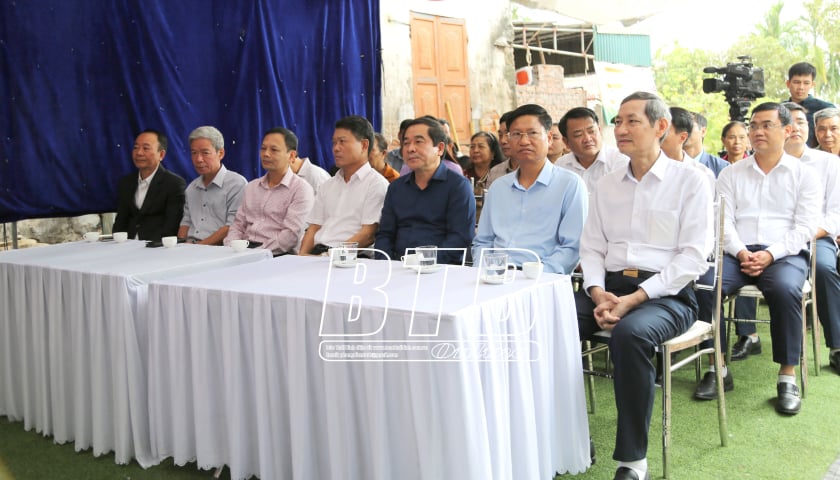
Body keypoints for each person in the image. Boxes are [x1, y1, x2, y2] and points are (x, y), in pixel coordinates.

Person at [576, 92, 712, 480]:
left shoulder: (691, 182)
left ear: (661, 127)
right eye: (617, 121)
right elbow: (592, 246)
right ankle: (566, 437)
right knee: (554, 321)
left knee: (631, 335)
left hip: (667, 294)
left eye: (631, 121)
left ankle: (632, 461)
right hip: (609, 288)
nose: (620, 129)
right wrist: (598, 292)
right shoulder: (606, 184)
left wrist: (635, 299)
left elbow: (692, 257)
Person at [693, 102, 821, 415]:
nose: (757, 132)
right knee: (704, 285)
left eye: (766, 125)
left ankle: (787, 377)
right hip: (737, 252)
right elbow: (722, 221)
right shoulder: (731, 174)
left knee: (785, 289)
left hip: (784, 253)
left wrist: (769, 254)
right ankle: (718, 367)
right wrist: (740, 251)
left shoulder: (805, 176)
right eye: (754, 126)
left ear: (787, 130)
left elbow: (804, 227)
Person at [472, 104, 587, 274]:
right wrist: (483, 271)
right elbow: (483, 241)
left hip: (542, 278)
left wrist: (535, 275)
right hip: (495, 276)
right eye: (516, 134)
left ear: (549, 138)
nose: (524, 141)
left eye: (532, 133)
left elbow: (571, 247)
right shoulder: (498, 188)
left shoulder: (570, 185)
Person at [782, 102, 840, 375]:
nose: (796, 128)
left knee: (825, 269)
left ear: (809, 129)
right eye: (789, 122)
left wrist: (806, 234)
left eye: (801, 122)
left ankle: (836, 346)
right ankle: (748, 336)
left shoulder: (828, 163)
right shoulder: (768, 160)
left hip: (816, 237)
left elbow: (835, 214)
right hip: (774, 239)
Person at [375, 116, 475, 264]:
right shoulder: (396, 187)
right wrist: (386, 264)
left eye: (419, 142)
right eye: (406, 143)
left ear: (440, 148)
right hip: (397, 268)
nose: (410, 149)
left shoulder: (458, 186)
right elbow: (385, 234)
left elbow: (459, 239)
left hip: (440, 269)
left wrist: (424, 262)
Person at [299, 115, 389, 255]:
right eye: (334, 142)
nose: (336, 148)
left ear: (364, 145)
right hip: (318, 255)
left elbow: (367, 234)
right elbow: (314, 227)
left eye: (342, 142)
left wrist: (331, 255)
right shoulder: (328, 185)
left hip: (351, 258)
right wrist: (302, 256)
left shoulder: (376, 184)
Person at [224, 127, 314, 255]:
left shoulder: (301, 189)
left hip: (277, 256)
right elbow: (238, 226)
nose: (266, 154)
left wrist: (256, 253)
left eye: (274, 150)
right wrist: (231, 247)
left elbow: (290, 237)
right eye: (263, 148)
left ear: (292, 155)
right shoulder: (252, 187)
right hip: (243, 252)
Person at [177, 126, 247, 245]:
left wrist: (200, 246)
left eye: (205, 153)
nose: (198, 159)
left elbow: (232, 226)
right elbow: (186, 222)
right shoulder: (192, 188)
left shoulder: (237, 184)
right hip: (190, 247)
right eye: (194, 153)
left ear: (220, 153)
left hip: (219, 249)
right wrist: (181, 244)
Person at [113, 129, 186, 241]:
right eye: (136, 147)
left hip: (156, 247)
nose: (139, 153)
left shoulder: (174, 183)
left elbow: (172, 225)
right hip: (127, 245)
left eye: (145, 148)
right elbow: (120, 221)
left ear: (161, 154)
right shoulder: (126, 182)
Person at [555, 107, 628, 194]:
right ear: (566, 142)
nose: (587, 139)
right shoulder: (561, 166)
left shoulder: (620, 161)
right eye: (578, 135)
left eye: (591, 131)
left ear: (600, 131)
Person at [786, 62, 835, 148]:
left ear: (812, 85)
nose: (801, 87)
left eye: (806, 83)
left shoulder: (825, 108)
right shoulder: (779, 110)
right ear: (788, 84)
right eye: (797, 82)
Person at [463, 131, 503, 221]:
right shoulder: (464, 175)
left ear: (493, 153)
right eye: (472, 147)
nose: (475, 150)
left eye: (481, 146)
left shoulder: (500, 175)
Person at [684, 112, 729, 178]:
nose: (683, 131)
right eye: (680, 127)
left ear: (703, 131)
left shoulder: (722, 167)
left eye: (689, 126)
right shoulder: (669, 164)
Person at [487, 111, 516, 186]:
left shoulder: (534, 172)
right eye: (500, 135)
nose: (503, 141)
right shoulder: (495, 172)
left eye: (508, 134)